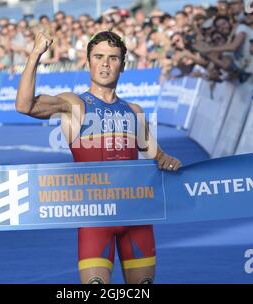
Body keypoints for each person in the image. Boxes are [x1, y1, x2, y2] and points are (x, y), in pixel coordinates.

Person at [16, 30, 181, 284]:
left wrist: (166, 159)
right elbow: (24, 106)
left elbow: (156, 155)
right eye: (99, 56)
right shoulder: (74, 105)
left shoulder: (134, 111)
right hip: (95, 219)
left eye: (113, 58)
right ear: (88, 62)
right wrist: (36, 54)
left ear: (123, 65)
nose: (105, 63)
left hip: (136, 218)